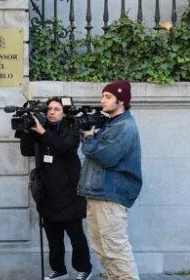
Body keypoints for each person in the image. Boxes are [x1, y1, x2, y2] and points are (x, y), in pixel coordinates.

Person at [18, 98, 92, 280]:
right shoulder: (42, 129)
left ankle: (84, 268)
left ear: (64, 112)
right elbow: (26, 151)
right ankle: (59, 270)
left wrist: (43, 133)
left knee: (76, 235)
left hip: (69, 192)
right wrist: (27, 131)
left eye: (57, 109)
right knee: (53, 237)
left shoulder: (72, 130)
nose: (52, 112)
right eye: (49, 109)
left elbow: (65, 149)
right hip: (47, 192)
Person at [78, 80, 142, 279]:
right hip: (98, 193)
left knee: (115, 248)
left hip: (110, 195)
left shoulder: (125, 126)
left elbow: (106, 156)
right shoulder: (110, 124)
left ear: (121, 101)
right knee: (102, 249)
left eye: (108, 97)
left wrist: (89, 137)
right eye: (103, 96)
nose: (102, 100)